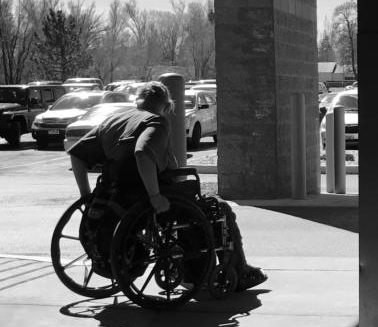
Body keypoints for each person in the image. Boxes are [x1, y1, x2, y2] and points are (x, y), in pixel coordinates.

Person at [68, 80, 267, 292]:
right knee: (217, 208)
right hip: (145, 198)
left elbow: (77, 154)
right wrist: (154, 196)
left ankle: (194, 270)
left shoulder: (114, 120)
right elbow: (142, 153)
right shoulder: (156, 122)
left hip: (114, 197)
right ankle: (232, 270)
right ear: (167, 106)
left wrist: (86, 196)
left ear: (139, 100)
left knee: (189, 208)